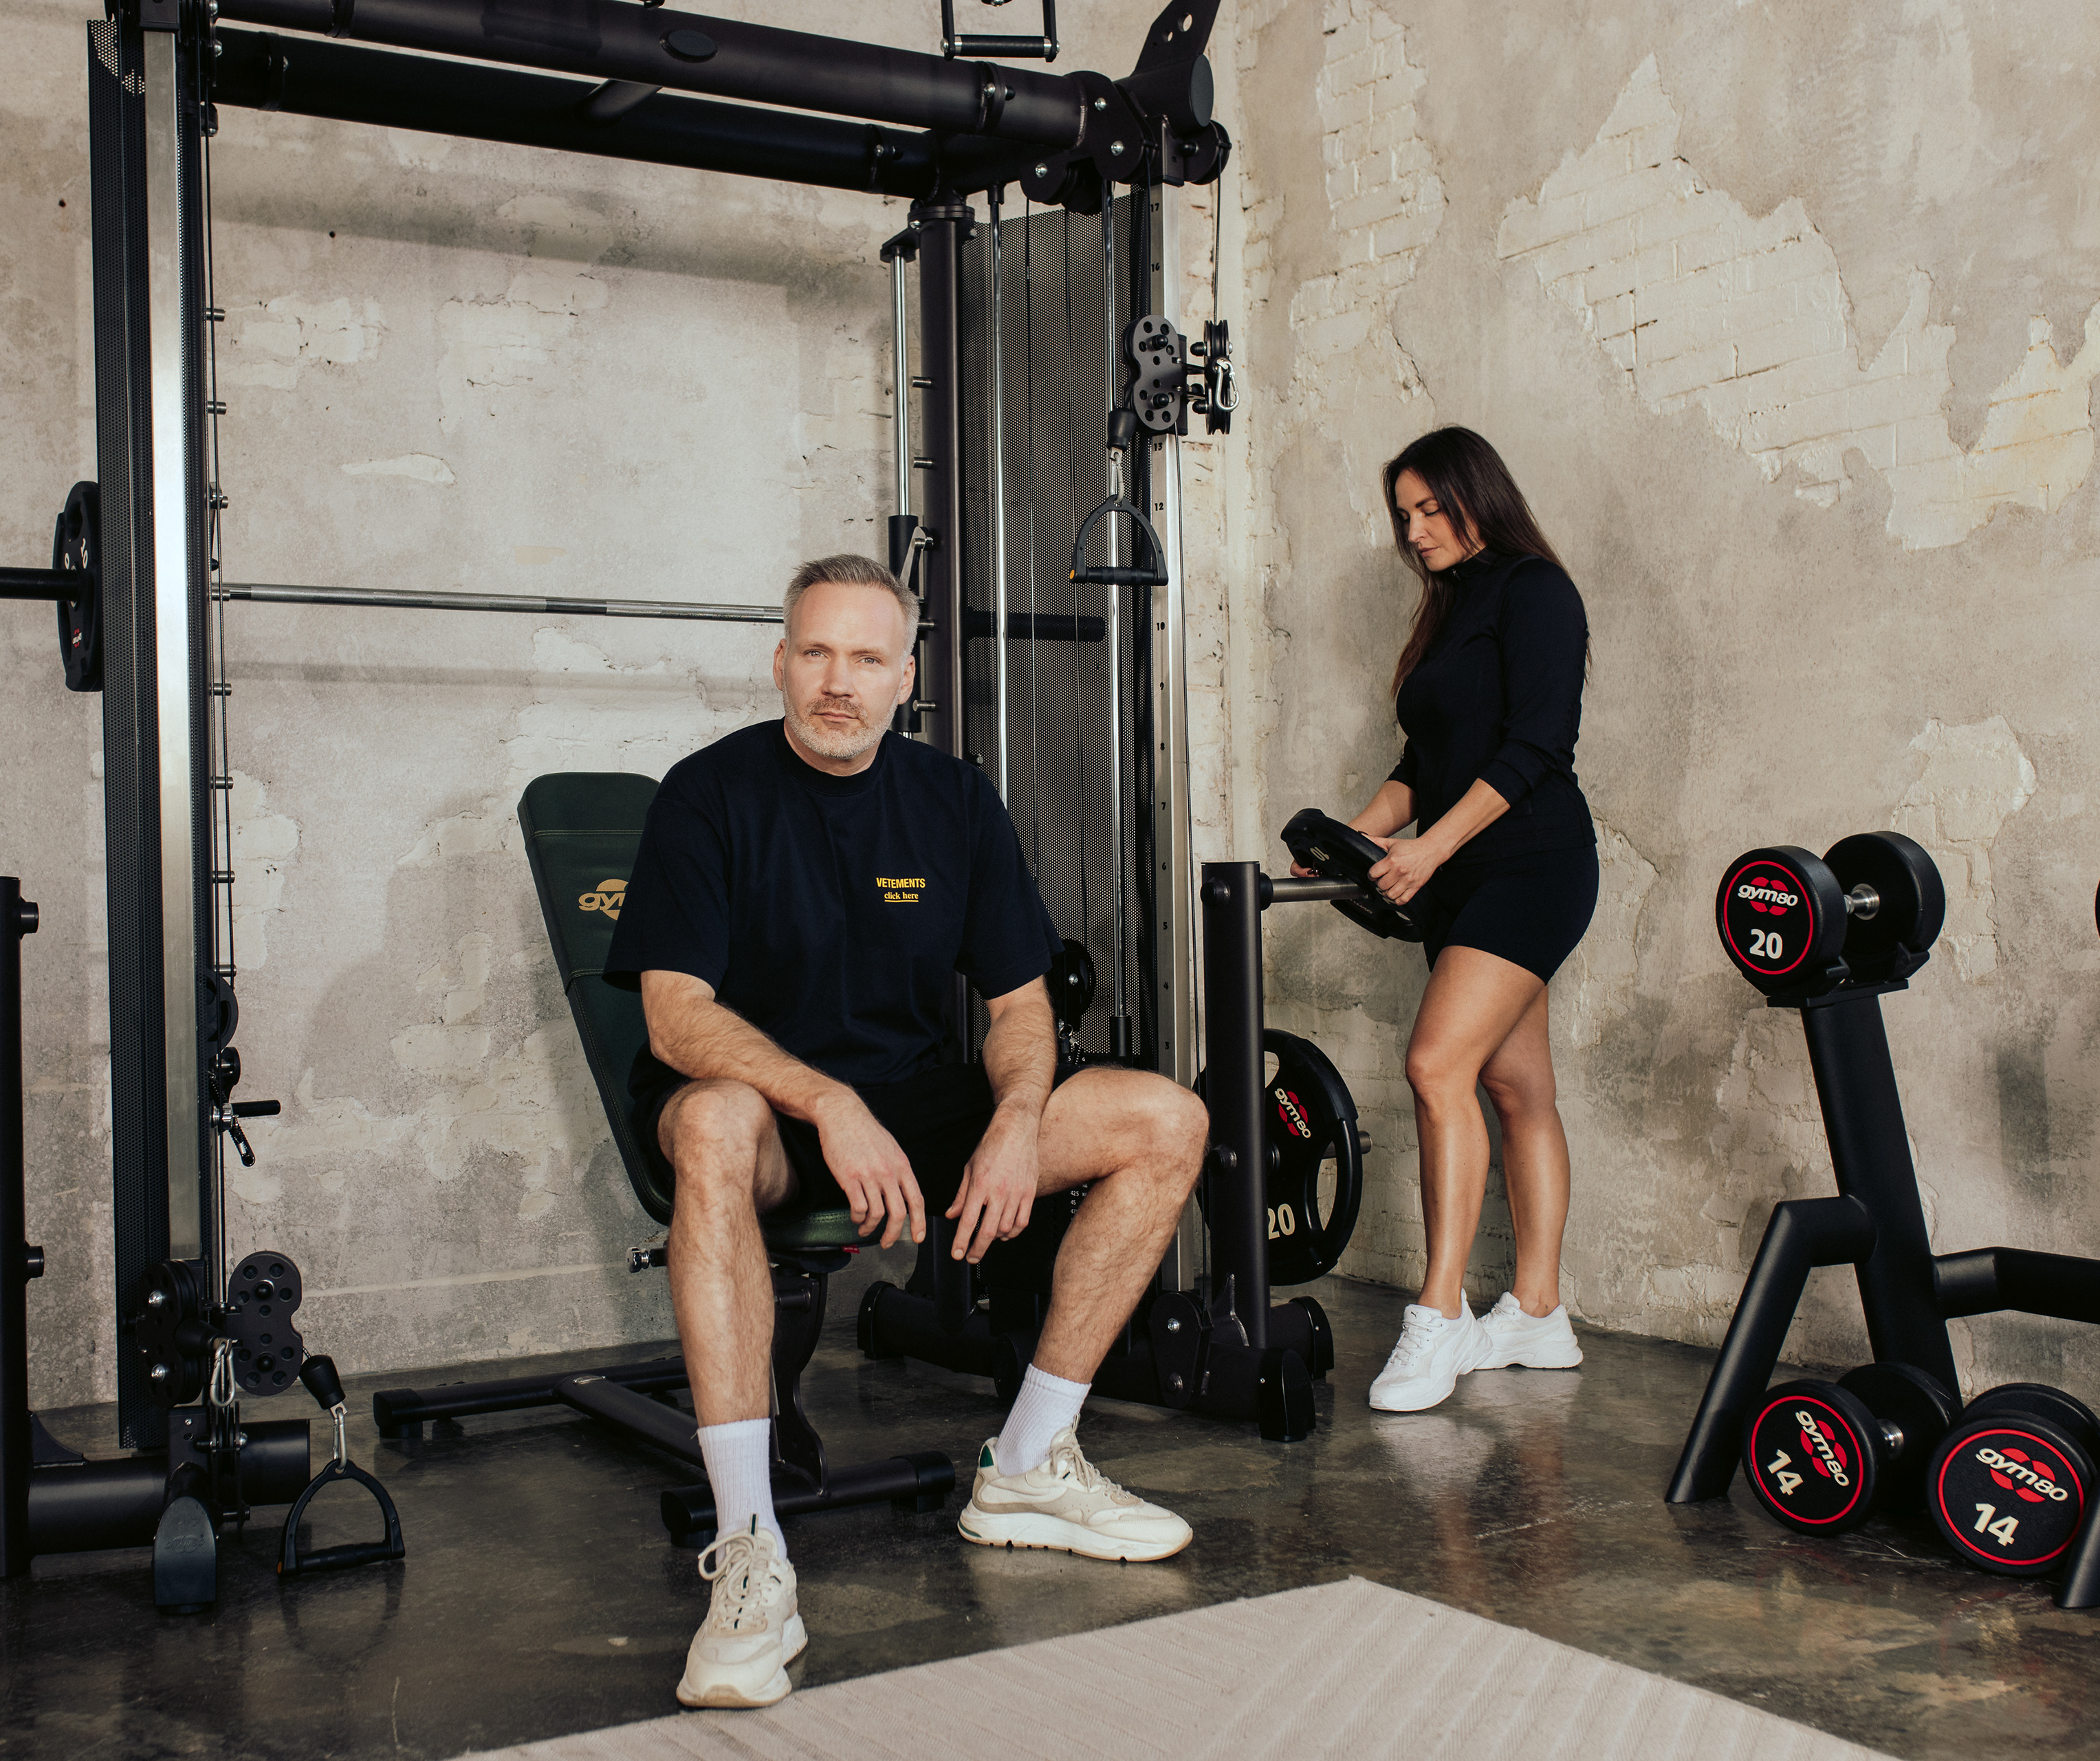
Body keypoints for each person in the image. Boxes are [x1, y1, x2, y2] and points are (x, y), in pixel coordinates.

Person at [604, 553, 1207, 1710]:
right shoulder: (707, 794)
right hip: (763, 1108)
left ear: (905, 677)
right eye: (817, 652)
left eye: (867, 657)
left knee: (1164, 1118)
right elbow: (676, 1017)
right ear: (780, 663)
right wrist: (827, 1102)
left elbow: (1020, 1005)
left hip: (915, 1098)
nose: (839, 680)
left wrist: (1017, 1121)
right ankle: (750, 1552)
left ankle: (1027, 1463)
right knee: (717, 1122)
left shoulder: (954, 800)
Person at [1311, 426, 1597, 1414]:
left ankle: (1440, 1317)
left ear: (1482, 495)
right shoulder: (1446, 612)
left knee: (1437, 1065)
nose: (1416, 530)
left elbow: (1538, 746)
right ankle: (1540, 1312)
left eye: (1433, 508)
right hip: (1462, 876)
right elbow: (1421, 767)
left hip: (1533, 864)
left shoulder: (1536, 590)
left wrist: (1429, 848)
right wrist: (1355, 834)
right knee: (1518, 1088)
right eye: (1404, 515)